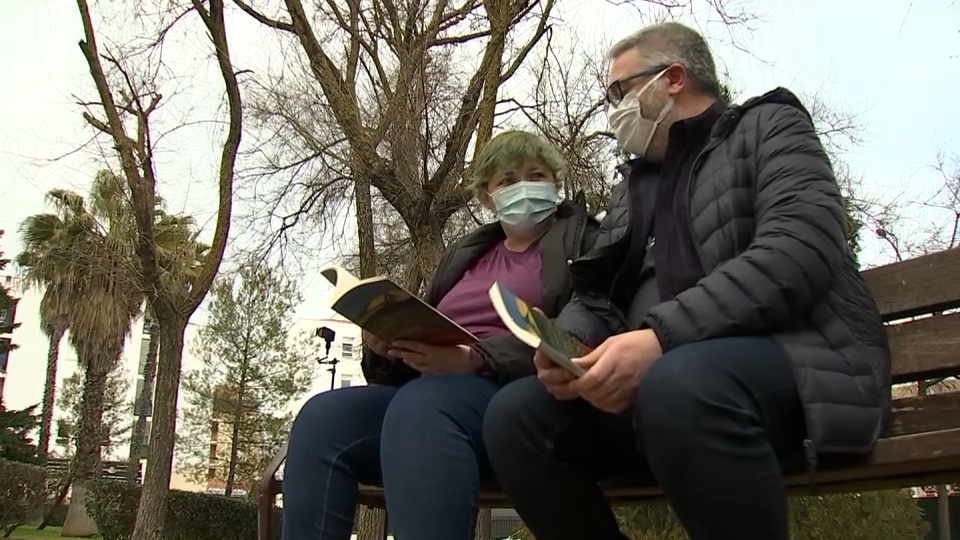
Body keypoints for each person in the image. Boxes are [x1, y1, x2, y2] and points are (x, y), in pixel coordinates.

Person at [483, 22, 892, 540]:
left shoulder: (769, 127)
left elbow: (799, 250)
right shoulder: (633, 188)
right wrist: (570, 346)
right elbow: (599, 293)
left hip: (791, 366)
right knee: (515, 416)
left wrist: (660, 338)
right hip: (658, 389)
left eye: (620, 91)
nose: (613, 110)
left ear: (673, 78)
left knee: (680, 383)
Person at [281, 130, 599, 540]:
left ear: (555, 184)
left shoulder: (582, 242)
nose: (523, 187)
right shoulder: (466, 255)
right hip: (426, 390)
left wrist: (476, 359)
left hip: (515, 394)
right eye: (507, 180)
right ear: (487, 196)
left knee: (422, 406)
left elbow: (579, 332)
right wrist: (388, 347)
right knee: (322, 419)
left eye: (536, 175)